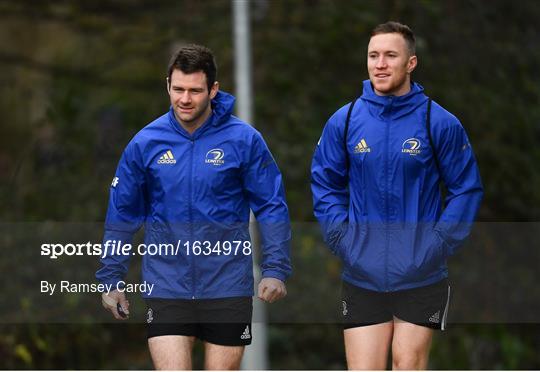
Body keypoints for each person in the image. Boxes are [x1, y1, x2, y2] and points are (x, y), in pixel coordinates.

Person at [96, 44, 291, 370]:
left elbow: (272, 206)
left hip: (227, 285)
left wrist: (276, 269)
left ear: (213, 90)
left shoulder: (244, 140)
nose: (185, 99)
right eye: (178, 89)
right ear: (168, 86)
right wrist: (111, 279)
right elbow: (122, 215)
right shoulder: (145, 143)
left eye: (195, 91)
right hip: (166, 284)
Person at [311, 21, 483, 370]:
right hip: (362, 275)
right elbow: (325, 183)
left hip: (422, 274)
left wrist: (437, 245)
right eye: (373, 56)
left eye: (391, 55)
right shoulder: (344, 122)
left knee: (408, 363)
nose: (380, 64)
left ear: (411, 63)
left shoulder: (440, 122)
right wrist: (342, 237)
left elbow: (466, 187)